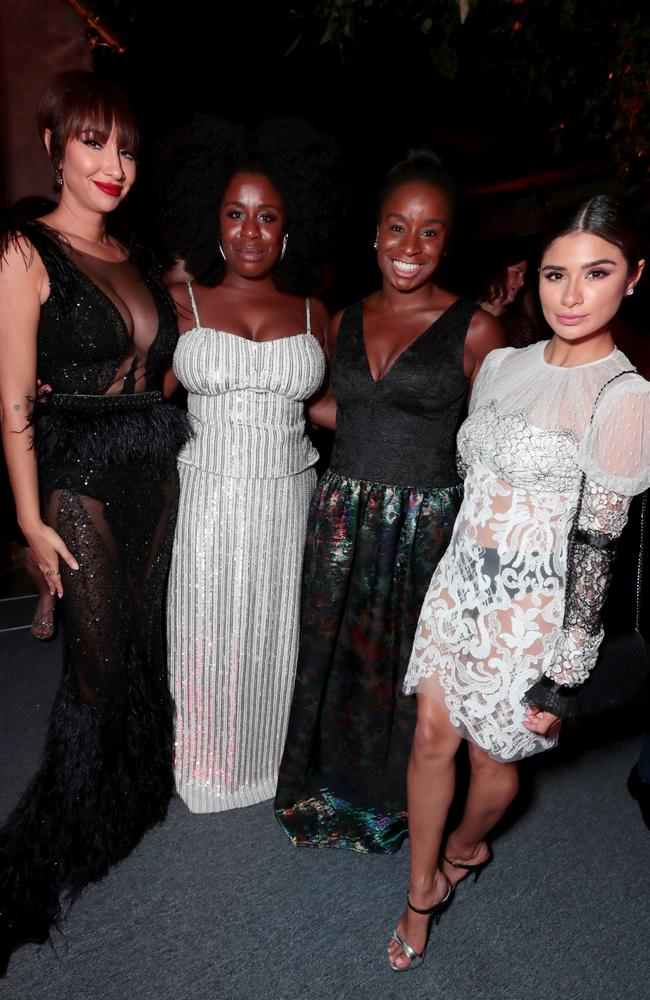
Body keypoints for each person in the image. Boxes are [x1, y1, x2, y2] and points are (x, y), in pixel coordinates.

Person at [387, 194, 650, 970]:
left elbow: (602, 542)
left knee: (493, 767)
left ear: (633, 278)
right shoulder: (501, 363)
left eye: (595, 273)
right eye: (555, 274)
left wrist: (567, 671)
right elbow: (473, 477)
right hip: (461, 581)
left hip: (533, 612)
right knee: (432, 737)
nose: (571, 296)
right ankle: (419, 893)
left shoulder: (625, 396)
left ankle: (466, 846)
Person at [0, 71, 190, 974]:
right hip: (78, 473)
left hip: (154, 464)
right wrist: (31, 520)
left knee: (146, 646)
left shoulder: (141, 253)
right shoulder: (24, 252)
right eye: (92, 143)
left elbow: (159, 374)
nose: (114, 164)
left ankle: (129, 794)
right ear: (55, 147)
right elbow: (10, 400)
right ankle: (53, 842)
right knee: (96, 665)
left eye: (126, 148)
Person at [274, 151, 505, 853]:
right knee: (332, 656)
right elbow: (336, 407)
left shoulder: (476, 330)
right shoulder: (341, 319)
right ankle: (321, 789)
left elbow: (496, 447)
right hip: (341, 515)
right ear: (375, 234)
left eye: (429, 232)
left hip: (425, 527)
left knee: (402, 672)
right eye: (398, 228)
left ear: (447, 241)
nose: (410, 248)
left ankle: (387, 805)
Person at [156, 117, 341, 812]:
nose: (251, 231)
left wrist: (420, 417)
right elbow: (143, 399)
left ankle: (272, 763)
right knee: (206, 627)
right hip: (209, 494)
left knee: (279, 631)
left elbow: (323, 408)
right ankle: (204, 768)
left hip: (292, 499)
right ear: (216, 223)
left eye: (267, 217)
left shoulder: (314, 310)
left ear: (288, 230)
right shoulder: (183, 303)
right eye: (236, 214)